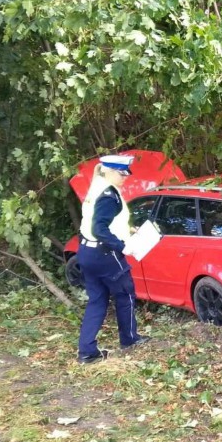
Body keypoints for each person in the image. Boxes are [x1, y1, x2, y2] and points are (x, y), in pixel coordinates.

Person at [77, 155, 150, 364]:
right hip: (105, 254)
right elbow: (99, 229)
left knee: (97, 300)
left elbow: (104, 222)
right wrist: (123, 245)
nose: (125, 177)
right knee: (125, 293)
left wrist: (128, 230)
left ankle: (87, 352)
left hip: (86, 252)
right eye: (121, 173)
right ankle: (129, 339)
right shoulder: (109, 195)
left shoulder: (97, 186)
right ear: (108, 171)